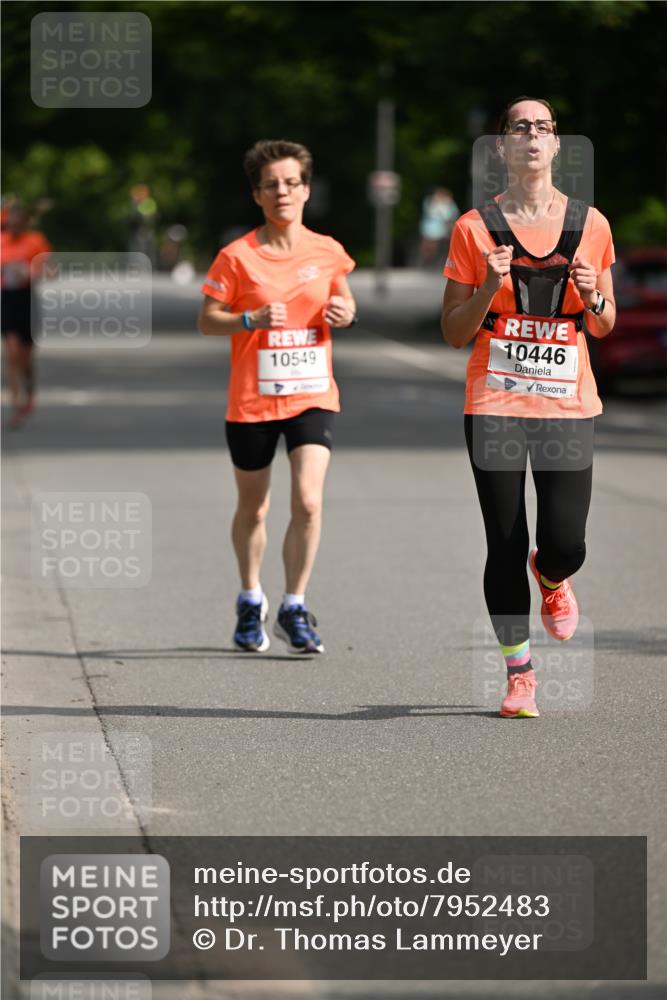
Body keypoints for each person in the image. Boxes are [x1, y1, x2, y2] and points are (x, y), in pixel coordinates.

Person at [441, 97, 615, 718]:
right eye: (520, 127)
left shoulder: (591, 224)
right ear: (503, 147)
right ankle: (520, 675)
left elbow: (604, 325)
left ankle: (554, 576)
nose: (532, 136)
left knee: (566, 541)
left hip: (567, 405)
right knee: (504, 541)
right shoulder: (472, 228)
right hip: (494, 402)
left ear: (556, 145)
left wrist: (595, 299)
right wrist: (488, 284)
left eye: (542, 127)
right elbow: (455, 331)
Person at [198, 140, 356, 654]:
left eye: (291, 183)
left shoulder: (327, 250)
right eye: (271, 185)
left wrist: (343, 314)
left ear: (306, 190)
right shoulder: (237, 256)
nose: (282, 192)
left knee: (309, 501)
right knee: (256, 508)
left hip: (312, 394)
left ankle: (294, 604)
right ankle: (250, 598)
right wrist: (249, 318)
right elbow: (206, 320)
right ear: (257, 195)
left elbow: (344, 300)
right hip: (252, 401)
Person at [1, 203, 52, 429]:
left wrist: (32, 272)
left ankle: (29, 389)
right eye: (10, 223)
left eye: (18, 223)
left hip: (27, 298)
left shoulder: (35, 241)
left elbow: (51, 270)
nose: (13, 227)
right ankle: (16, 404)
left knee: (25, 357)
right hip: (7, 299)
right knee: (11, 354)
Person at [419, 187, 459, 268]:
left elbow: (451, 215)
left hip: (442, 229)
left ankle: (436, 262)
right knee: (428, 245)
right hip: (429, 228)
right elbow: (429, 212)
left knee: (440, 246)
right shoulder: (430, 202)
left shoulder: (449, 203)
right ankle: (427, 261)